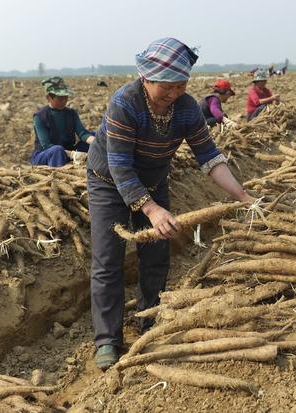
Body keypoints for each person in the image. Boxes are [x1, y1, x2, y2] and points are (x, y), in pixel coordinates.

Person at [85, 37, 255, 369]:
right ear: (146, 77)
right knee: (108, 258)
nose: (174, 93)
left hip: (153, 179)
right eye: (167, 86)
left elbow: (208, 156)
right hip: (108, 182)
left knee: (156, 253)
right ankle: (107, 340)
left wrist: (243, 195)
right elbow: (120, 166)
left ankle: (149, 320)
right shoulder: (125, 103)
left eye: (180, 85)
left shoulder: (188, 108)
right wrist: (150, 209)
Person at [30, 77, 95, 167]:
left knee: (94, 138)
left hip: (68, 150)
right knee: (57, 150)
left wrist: (97, 142)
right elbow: (46, 145)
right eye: (60, 98)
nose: (64, 101)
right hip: (46, 154)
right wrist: (73, 155)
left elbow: (82, 133)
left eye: (66, 97)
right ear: (48, 97)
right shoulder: (40, 117)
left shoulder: (71, 113)